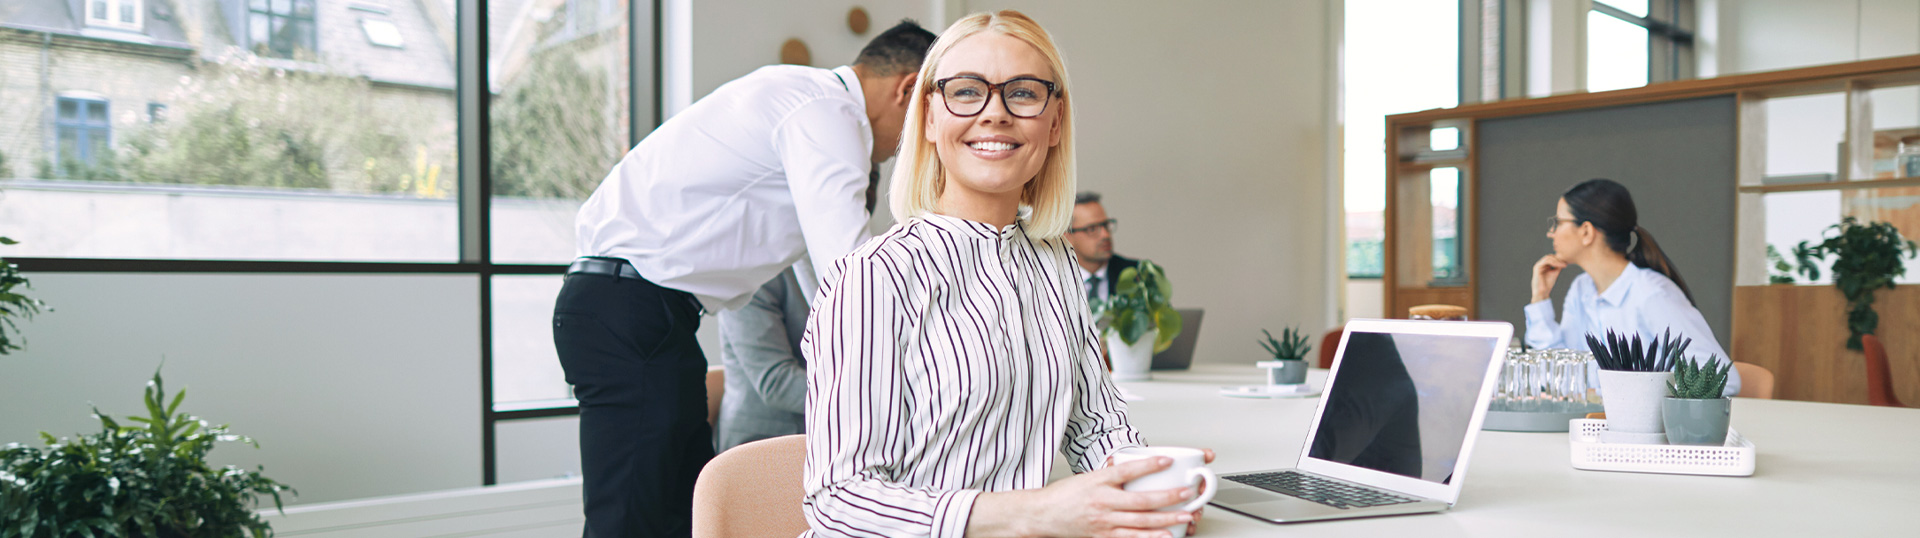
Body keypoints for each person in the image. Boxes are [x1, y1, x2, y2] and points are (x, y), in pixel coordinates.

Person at [800, 11, 1212, 538]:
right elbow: (839, 499)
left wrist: (1146, 485)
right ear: (928, 118)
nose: (995, 114)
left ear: (1055, 121)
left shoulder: (1056, 261)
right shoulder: (873, 275)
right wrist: (1036, 513)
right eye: (966, 92)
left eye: (1022, 93)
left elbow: (1096, 425)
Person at [553, 22, 938, 538]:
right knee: (629, 520)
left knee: (685, 513)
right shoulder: (828, 113)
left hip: (646, 314)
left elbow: (817, 273)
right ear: (908, 89)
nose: (907, 148)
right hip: (629, 308)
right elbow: (852, 279)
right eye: (929, 118)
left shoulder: (801, 102)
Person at [713, 170, 883, 453]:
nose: (864, 197)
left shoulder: (862, 264)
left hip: (838, 437)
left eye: (870, 184)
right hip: (762, 443)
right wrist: (868, 396)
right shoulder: (753, 269)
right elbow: (774, 381)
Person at [1526, 178, 1741, 396]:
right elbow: (1561, 373)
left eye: (1559, 222)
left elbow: (1722, 378)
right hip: (1594, 425)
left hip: (1648, 428)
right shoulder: (1581, 290)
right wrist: (1540, 297)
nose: (1550, 232)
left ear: (1586, 232)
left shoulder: (1651, 294)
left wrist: (1640, 400)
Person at [1064, 191, 1142, 303]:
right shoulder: (1051, 280)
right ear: (1067, 236)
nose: (1105, 235)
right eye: (1092, 229)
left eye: (1105, 225)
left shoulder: (1136, 275)